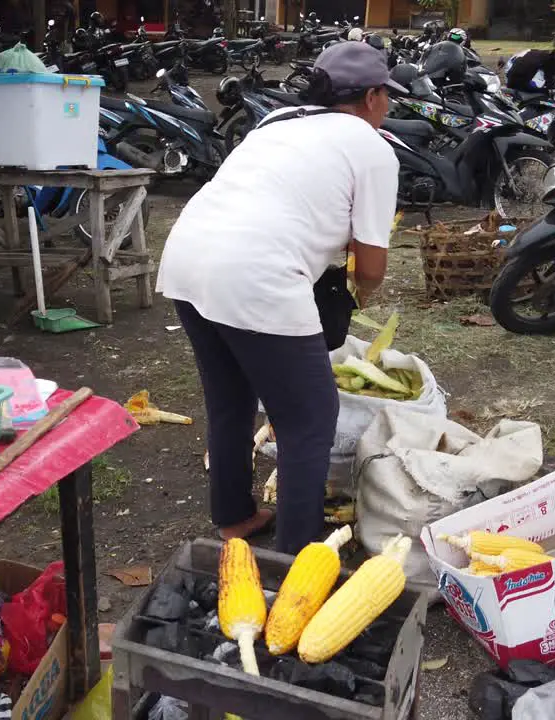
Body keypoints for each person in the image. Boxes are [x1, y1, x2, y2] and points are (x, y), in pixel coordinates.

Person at [155, 42, 402, 554]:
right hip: (256, 274)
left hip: (188, 255)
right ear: (374, 97)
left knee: (230, 399)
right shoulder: (373, 148)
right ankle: (296, 552)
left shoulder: (280, 118)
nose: (388, 109)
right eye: (387, 99)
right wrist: (361, 291)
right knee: (310, 418)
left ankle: (234, 518)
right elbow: (372, 266)